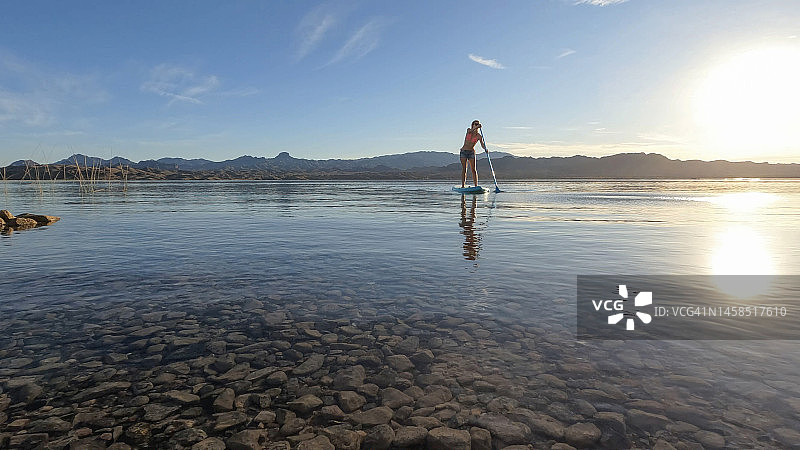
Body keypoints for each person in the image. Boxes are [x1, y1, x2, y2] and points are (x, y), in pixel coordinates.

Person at [460, 120, 487, 188]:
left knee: (473, 170)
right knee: (464, 169)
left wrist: (485, 149)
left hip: (471, 152)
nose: (477, 125)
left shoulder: (478, 136)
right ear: (473, 125)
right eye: (475, 124)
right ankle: (463, 186)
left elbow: (482, 144)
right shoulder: (469, 130)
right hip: (463, 152)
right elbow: (469, 131)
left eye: (477, 124)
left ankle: (476, 185)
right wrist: (476, 127)